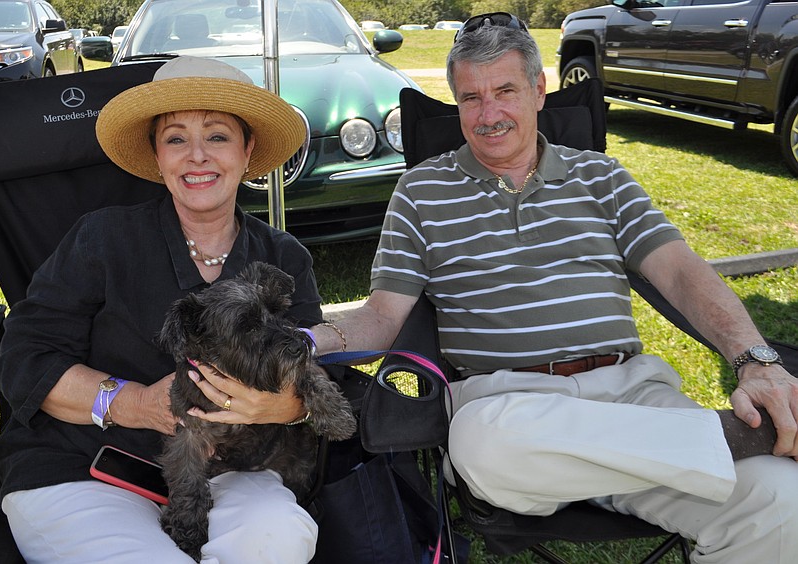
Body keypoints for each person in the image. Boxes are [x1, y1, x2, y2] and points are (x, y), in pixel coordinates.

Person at [307, 14, 798, 562]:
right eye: (470, 98)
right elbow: (380, 317)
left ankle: (689, 446)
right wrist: (307, 340)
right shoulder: (421, 191)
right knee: (481, 440)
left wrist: (757, 361)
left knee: (783, 499)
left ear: (540, 90)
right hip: (513, 410)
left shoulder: (603, 178)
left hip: (631, 396)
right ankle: (723, 441)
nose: (488, 115)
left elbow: (682, 272)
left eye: (505, 91)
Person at [0, 56, 322, 563]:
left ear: (248, 149)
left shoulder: (283, 258)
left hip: (231, 472)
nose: (196, 156)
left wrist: (288, 406)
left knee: (279, 540)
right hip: (85, 464)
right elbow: (24, 358)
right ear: (156, 153)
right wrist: (134, 403)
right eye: (175, 139)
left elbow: (308, 375)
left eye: (216, 136)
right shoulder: (102, 237)